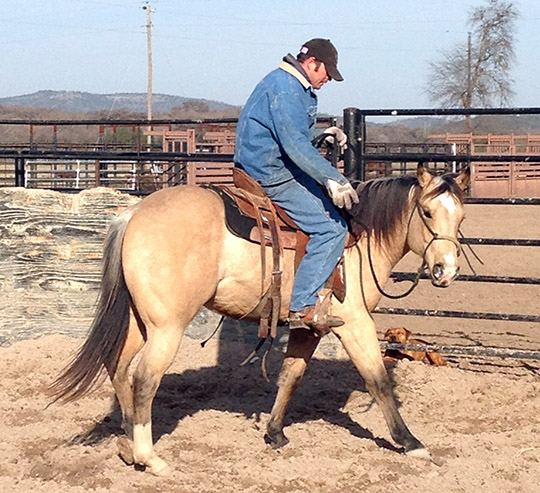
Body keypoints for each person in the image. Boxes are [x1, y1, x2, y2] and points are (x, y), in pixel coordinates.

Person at [234, 38, 359, 331]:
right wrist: (334, 179)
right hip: (270, 171)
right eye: (327, 72)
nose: (328, 79)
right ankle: (302, 306)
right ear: (312, 62)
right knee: (331, 228)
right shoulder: (287, 89)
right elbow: (293, 145)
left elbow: (290, 134)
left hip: (267, 161)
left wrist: (320, 135)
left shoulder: (286, 84)